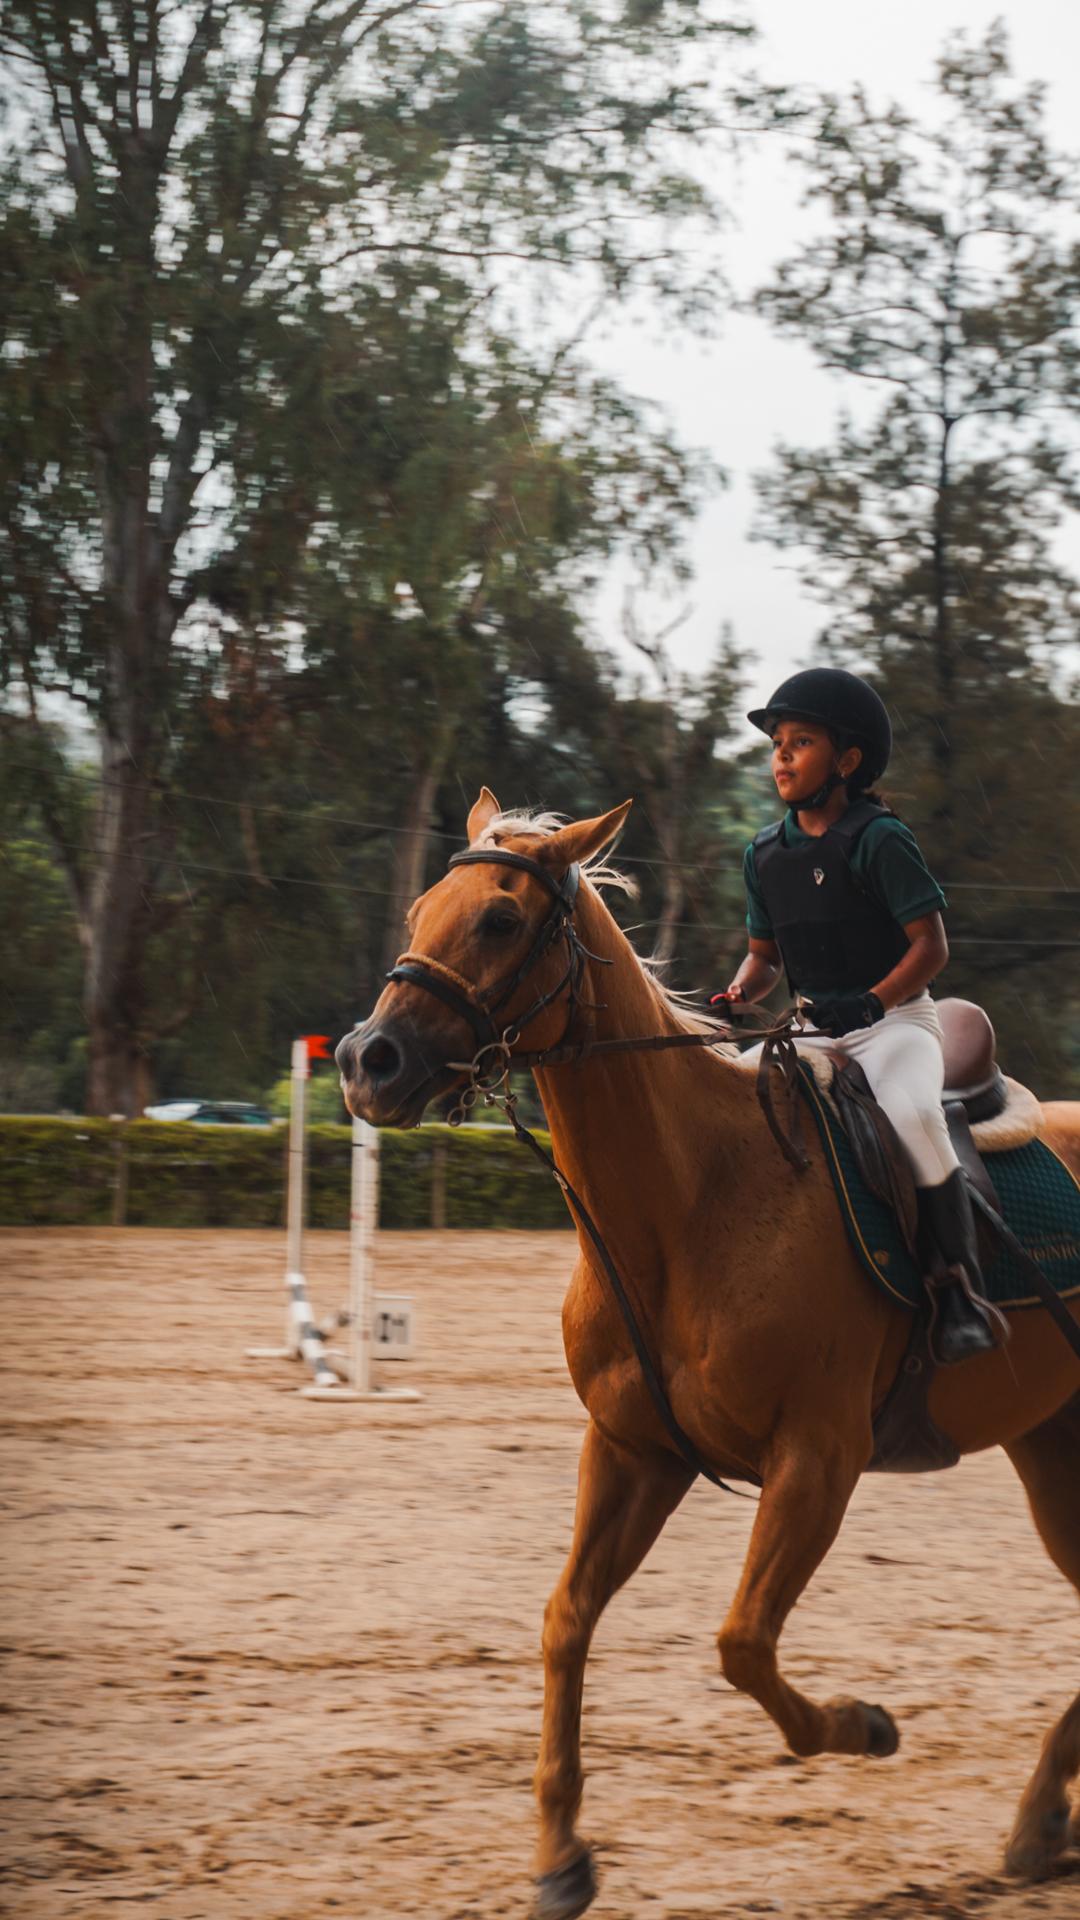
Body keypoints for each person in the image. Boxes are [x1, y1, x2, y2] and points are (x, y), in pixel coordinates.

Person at [715, 666, 1007, 1366]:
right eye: (777, 744)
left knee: (914, 1115)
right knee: (731, 1104)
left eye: (801, 742)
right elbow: (764, 960)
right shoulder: (763, 853)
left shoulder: (880, 839)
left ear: (846, 761)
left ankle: (958, 1291)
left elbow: (931, 948)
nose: (782, 757)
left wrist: (873, 1001)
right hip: (813, 1031)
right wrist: (740, 993)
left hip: (895, 1026)